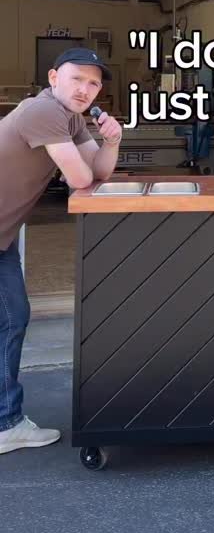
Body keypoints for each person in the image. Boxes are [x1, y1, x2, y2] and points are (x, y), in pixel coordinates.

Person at [0, 47, 123, 456]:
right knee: (9, 320)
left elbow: (99, 171)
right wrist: (90, 159)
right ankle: (5, 424)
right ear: (54, 78)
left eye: (94, 83)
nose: (85, 89)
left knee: (10, 318)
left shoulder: (69, 118)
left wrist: (112, 140)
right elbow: (79, 178)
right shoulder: (44, 111)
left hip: (2, 238)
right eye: (76, 79)